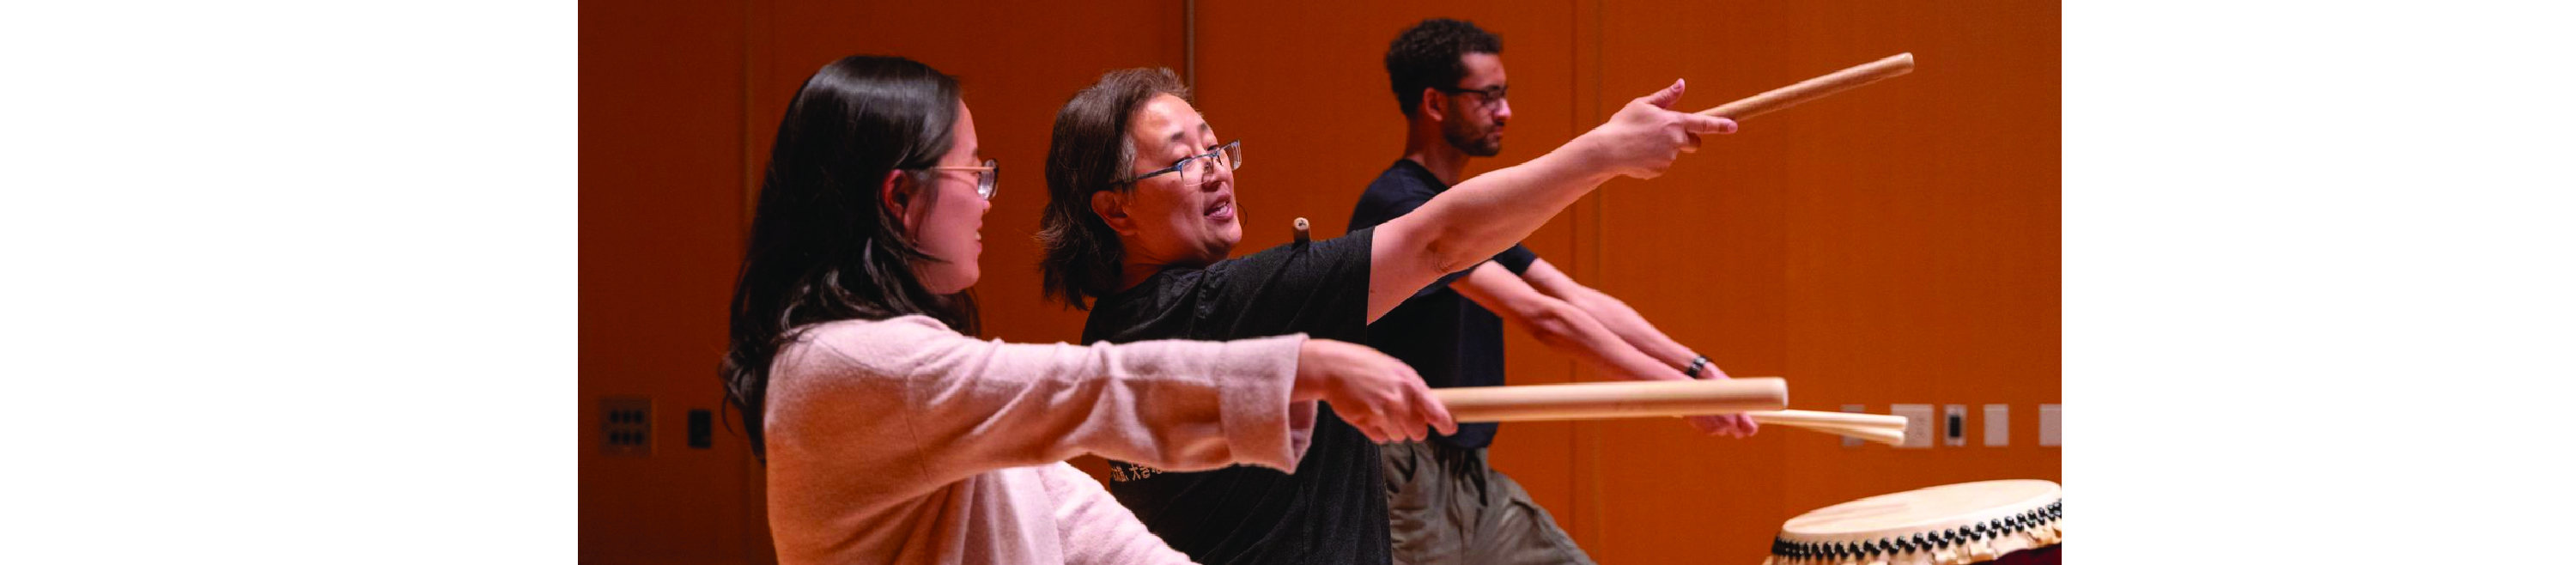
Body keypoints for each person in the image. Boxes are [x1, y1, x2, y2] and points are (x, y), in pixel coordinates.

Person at [717, 54, 1456, 565]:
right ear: (900, 195)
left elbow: (1095, 533)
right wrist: (1307, 366)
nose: (986, 198)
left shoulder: (939, 403)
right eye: (973, 172)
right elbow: (1084, 389)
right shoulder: (842, 364)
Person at [1035, 65, 1736, 565]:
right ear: (1115, 210)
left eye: (1214, 146)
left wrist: (1685, 372)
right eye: (1181, 160)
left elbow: (1549, 291)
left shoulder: (1112, 332)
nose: (1216, 168)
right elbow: (1440, 241)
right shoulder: (1221, 306)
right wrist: (1606, 150)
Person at [1352, 19, 1761, 565]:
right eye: (1487, 96)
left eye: (1504, 94)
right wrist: (1675, 393)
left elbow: (1573, 297)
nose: (1505, 112)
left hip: (1469, 473)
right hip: (1404, 471)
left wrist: (1695, 369)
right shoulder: (1401, 207)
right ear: (1434, 103)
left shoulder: (1464, 206)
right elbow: (1542, 317)